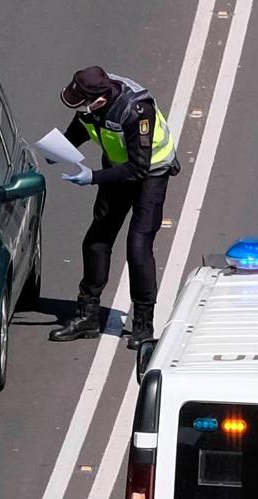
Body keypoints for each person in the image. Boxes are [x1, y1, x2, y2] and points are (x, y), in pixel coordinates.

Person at [49, 66, 180, 349]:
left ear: (98, 100)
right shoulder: (90, 102)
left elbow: (138, 168)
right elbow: (81, 127)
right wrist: (58, 150)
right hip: (117, 168)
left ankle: (143, 326)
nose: (80, 108)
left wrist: (93, 177)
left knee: (138, 246)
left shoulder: (136, 111)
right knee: (97, 239)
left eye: (82, 102)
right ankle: (87, 316)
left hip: (150, 173)